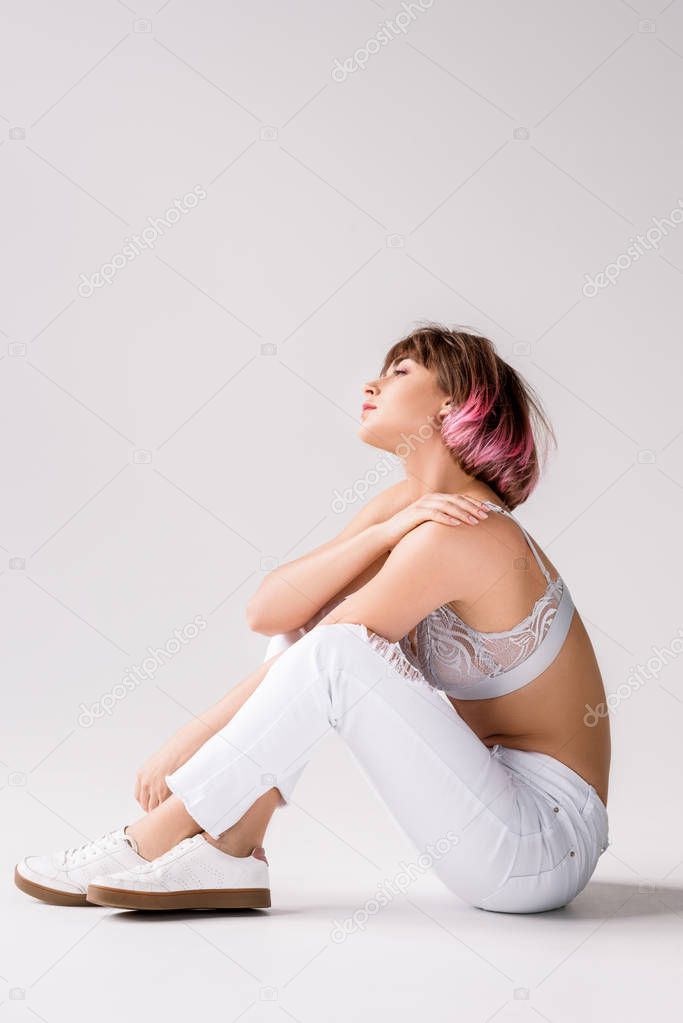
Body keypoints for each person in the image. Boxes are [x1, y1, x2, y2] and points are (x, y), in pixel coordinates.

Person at [15, 323, 611, 914]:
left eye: (401, 372)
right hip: (483, 804)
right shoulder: (408, 510)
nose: (372, 384)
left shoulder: (466, 532)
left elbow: (329, 650)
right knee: (312, 625)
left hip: (542, 843)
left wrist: (188, 743)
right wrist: (384, 530)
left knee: (338, 650)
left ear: (455, 403)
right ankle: (230, 849)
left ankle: (150, 840)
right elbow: (271, 612)